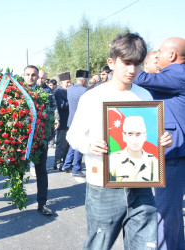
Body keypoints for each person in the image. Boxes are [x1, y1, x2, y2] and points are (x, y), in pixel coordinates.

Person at [67, 32, 172, 249]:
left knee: (145, 244)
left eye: (137, 63)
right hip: (103, 187)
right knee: (99, 244)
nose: (132, 70)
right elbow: (73, 135)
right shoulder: (92, 97)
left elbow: (150, 135)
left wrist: (161, 140)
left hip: (141, 185)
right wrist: (89, 145)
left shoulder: (145, 96)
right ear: (111, 62)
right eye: (126, 63)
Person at [133, 37, 185, 250]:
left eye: (160, 53)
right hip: (172, 150)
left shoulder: (177, 73)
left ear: (172, 56)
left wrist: (126, 57)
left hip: (173, 152)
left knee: (164, 212)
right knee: (171, 212)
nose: (157, 56)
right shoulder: (173, 76)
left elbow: (141, 78)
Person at [22, 65, 53, 216]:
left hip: (40, 140)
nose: (30, 77)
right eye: (28, 74)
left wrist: (46, 137)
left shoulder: (45, 93)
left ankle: (42, 203)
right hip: (21, 140)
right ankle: (19, 196)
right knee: (19, 170)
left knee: (41, 171)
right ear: (24, 75)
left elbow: (51, 115)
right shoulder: (17, 92)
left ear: (37, 76)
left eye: (33, 75)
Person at [109, 116, 158, 182]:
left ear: (145, 136)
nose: (134, 139)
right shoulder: (112, 159)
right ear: (124, 136)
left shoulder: (153, 162)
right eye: (130, 134)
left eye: (138, 134)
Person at [62, 70, 88, 181]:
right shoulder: (85, 91)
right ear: (84, 80)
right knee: (79, 144)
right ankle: (76, 169)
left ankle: (67, 164)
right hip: (81, 121)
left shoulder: (70, 89)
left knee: (73, 143)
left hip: (71, 120)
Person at [52, 72, 70, 170]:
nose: (69, 84)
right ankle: (57, 162)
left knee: (67, 144)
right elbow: (61, 105)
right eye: (67, 82)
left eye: (69, 82)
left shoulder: (67, 91)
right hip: (62, 122)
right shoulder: (58, 92)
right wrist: (70, 101)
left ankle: (65, 162)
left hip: (68, 121)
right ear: (61, 82)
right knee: (61, 144)